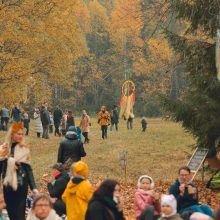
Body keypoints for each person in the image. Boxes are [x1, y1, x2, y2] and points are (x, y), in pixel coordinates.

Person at [0, 122, 38, 220]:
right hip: (8, 186)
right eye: (18, 133)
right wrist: (2, 158)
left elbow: (29, 170)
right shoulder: (4, 148)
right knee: (10, 213)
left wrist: (34, 188)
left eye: (22, 134)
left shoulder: (24, 149)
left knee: (20, 214)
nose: (21, 136)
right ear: (12, 134)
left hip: (21, 186)